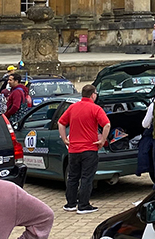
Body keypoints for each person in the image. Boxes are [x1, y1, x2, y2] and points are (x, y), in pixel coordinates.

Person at [58, 84, 111, 214]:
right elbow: (107, 124)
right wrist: (102, 140)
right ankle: (83, 205)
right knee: (87, 177)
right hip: (89, 148)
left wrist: (64, 138)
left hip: (74, 149)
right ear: (92, 94)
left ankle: (70, 204)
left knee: (73, 177)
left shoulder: (72, 107)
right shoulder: (96, 108)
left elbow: (61, 122)